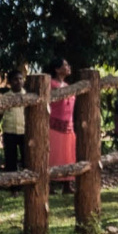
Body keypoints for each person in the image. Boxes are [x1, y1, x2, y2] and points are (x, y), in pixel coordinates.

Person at [48, 58, 77, 192]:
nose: (68, 67)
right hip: (54, 126)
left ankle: (67, 184)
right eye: (65, 65)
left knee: (68, 155)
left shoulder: (67, 86)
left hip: (68, 126)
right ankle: (50, 184)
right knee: (53, 155)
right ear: (57, 69)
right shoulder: (50, 84)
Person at [0, 67, 28, 171]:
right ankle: (12, 184)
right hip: (9, 131)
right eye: (15, 79)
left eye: (21, 79)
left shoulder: (28, 96)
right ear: (10, 82)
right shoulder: (5, 97)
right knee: (10, 158)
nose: (18, 81)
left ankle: (26, 181)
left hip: (25, 131)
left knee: (27, 158)